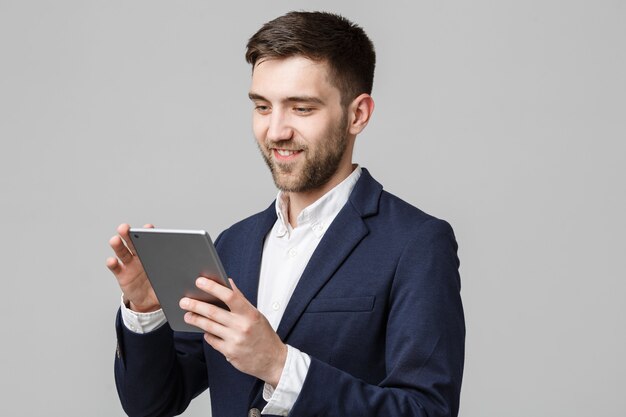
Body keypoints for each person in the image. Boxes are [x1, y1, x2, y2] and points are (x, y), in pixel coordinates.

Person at [107, 11, 465, 417]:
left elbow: (427, 411)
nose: (276, 130)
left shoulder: (416, 243)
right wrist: (145, 309)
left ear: (358, 114)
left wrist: (280, 365)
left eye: (301, 108)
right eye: (262, 106)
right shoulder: (233, 244)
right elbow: (151, 404)